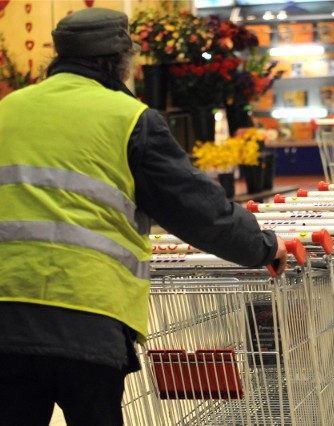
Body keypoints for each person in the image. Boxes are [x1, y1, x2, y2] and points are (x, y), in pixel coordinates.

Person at [0, 8, 288, 425]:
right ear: (122, 61)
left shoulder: (9, 109)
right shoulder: (129, 118)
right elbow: (196, 209)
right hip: (87, 314)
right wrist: (263, 245)